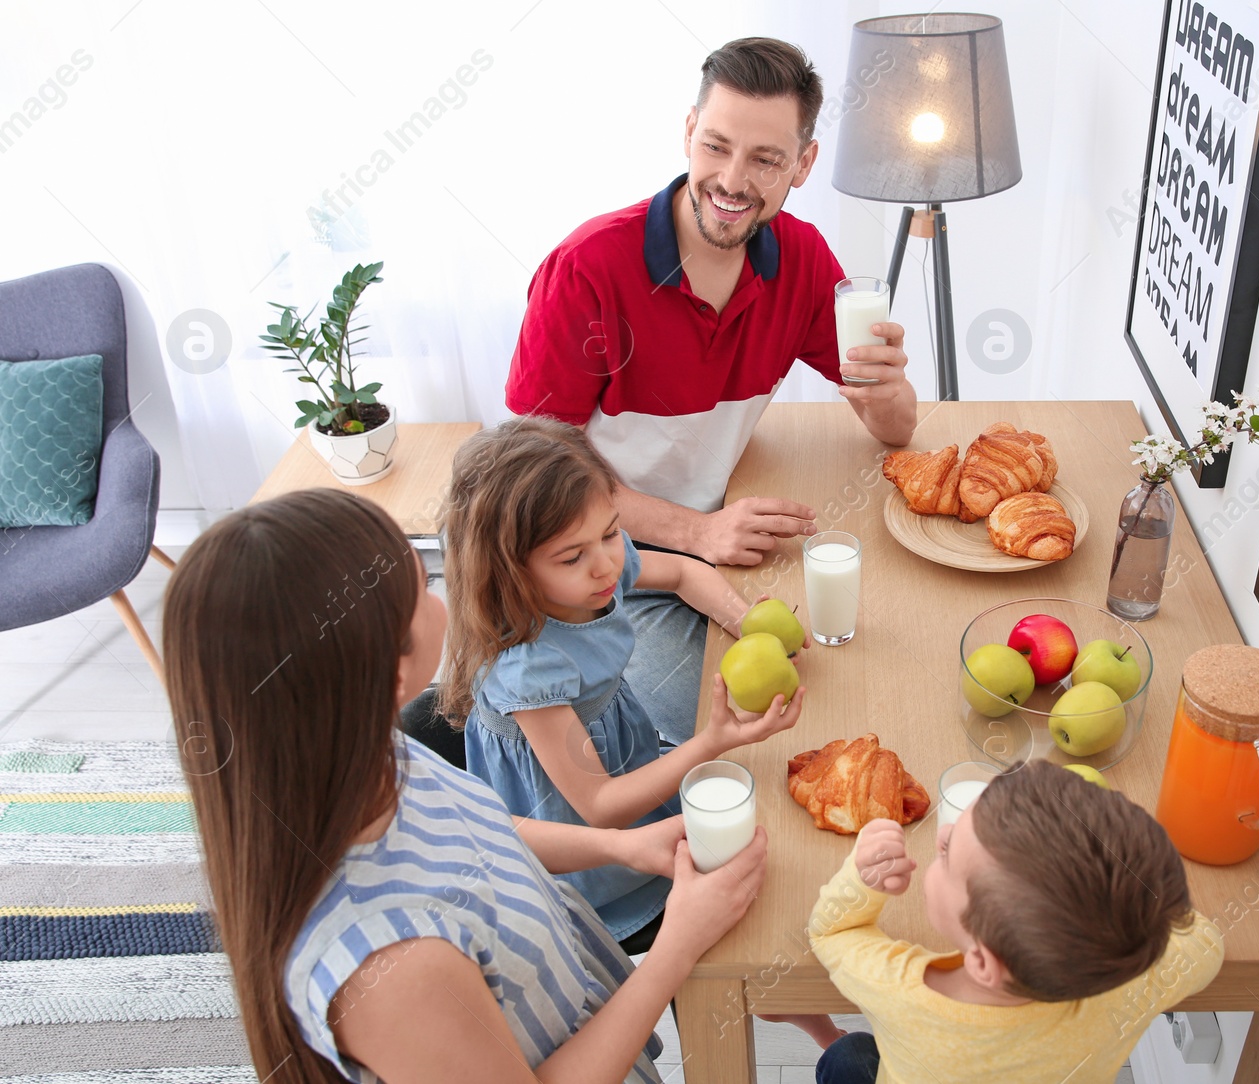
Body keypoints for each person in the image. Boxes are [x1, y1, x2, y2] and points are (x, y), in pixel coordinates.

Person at [163, 487, 768, 1084]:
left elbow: (468, 828)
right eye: (422, 586)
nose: (444, 591)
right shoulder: (391, 967)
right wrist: (675, 950)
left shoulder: (363, 753)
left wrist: (618, 848)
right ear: (391, 666)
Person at [504, 37, 918, 748]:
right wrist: (696, 536)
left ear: (803, 165)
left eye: (764, 160)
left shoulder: (806, 261)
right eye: (717, 145)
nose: (731, 180)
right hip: (594, 548)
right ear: (689, 131)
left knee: (853, 672)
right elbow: (528, 481)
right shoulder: (587, 270)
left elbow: (898, 432)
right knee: (712, 727)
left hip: (713, 534)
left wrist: (885, 390)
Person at [435, 416, 801, 947]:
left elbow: (682, 573)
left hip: (623, 756)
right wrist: (714, 740)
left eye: (610, 532)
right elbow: (601, 808)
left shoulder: (592, 566)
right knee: (729, 917)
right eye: (573, 556)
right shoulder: (530, 668)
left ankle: (807, 1022)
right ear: (510, 569)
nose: (608, 564)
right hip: (582, 834)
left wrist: (748, 627)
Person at [808, 762, 1226, 1084]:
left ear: (985, 963)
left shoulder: (899, 990)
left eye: (950, 855)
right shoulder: (1126, 989)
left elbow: (831, 932)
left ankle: (829, 1038)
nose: (943, 832)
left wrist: (863, 881)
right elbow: (1205, 945)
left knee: (848, 1057)